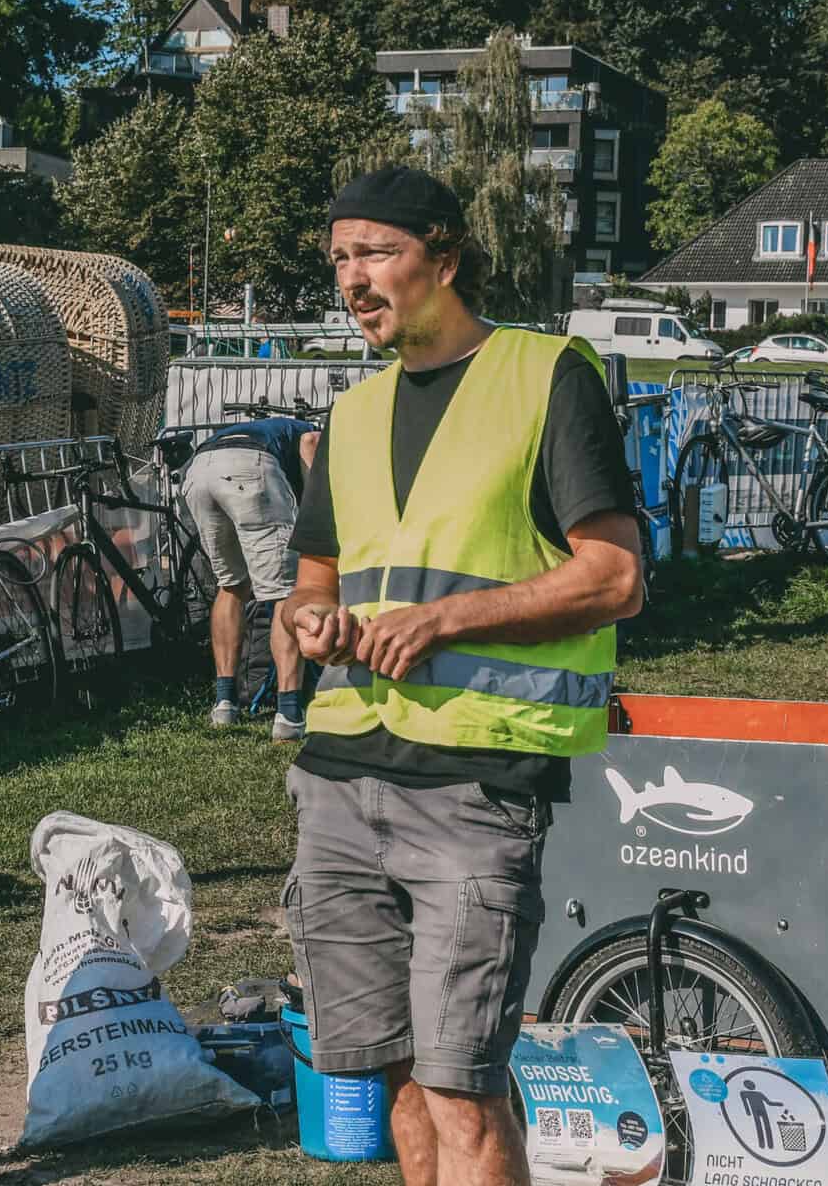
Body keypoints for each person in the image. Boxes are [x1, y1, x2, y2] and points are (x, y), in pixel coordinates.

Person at [280, 167, 643, 1186]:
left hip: (478, 785)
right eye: (341, 257)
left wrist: (448, 617)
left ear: (444, 256)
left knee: (463, 1088)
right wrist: (311, 622)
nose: (354, 278)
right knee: (395, 1083)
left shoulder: (544, 374)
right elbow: (307, 586)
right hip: (340, 777)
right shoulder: (352, 415)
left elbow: (614, 576)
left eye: (376, 252)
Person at [183, 413, 323, 739]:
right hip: (249, 470)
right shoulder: (312, 431)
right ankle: (289, 713)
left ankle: (224, 704)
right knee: (283, 592)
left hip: (199, 470)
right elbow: (311, 450)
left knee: (231, 585)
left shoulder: (270, 426)